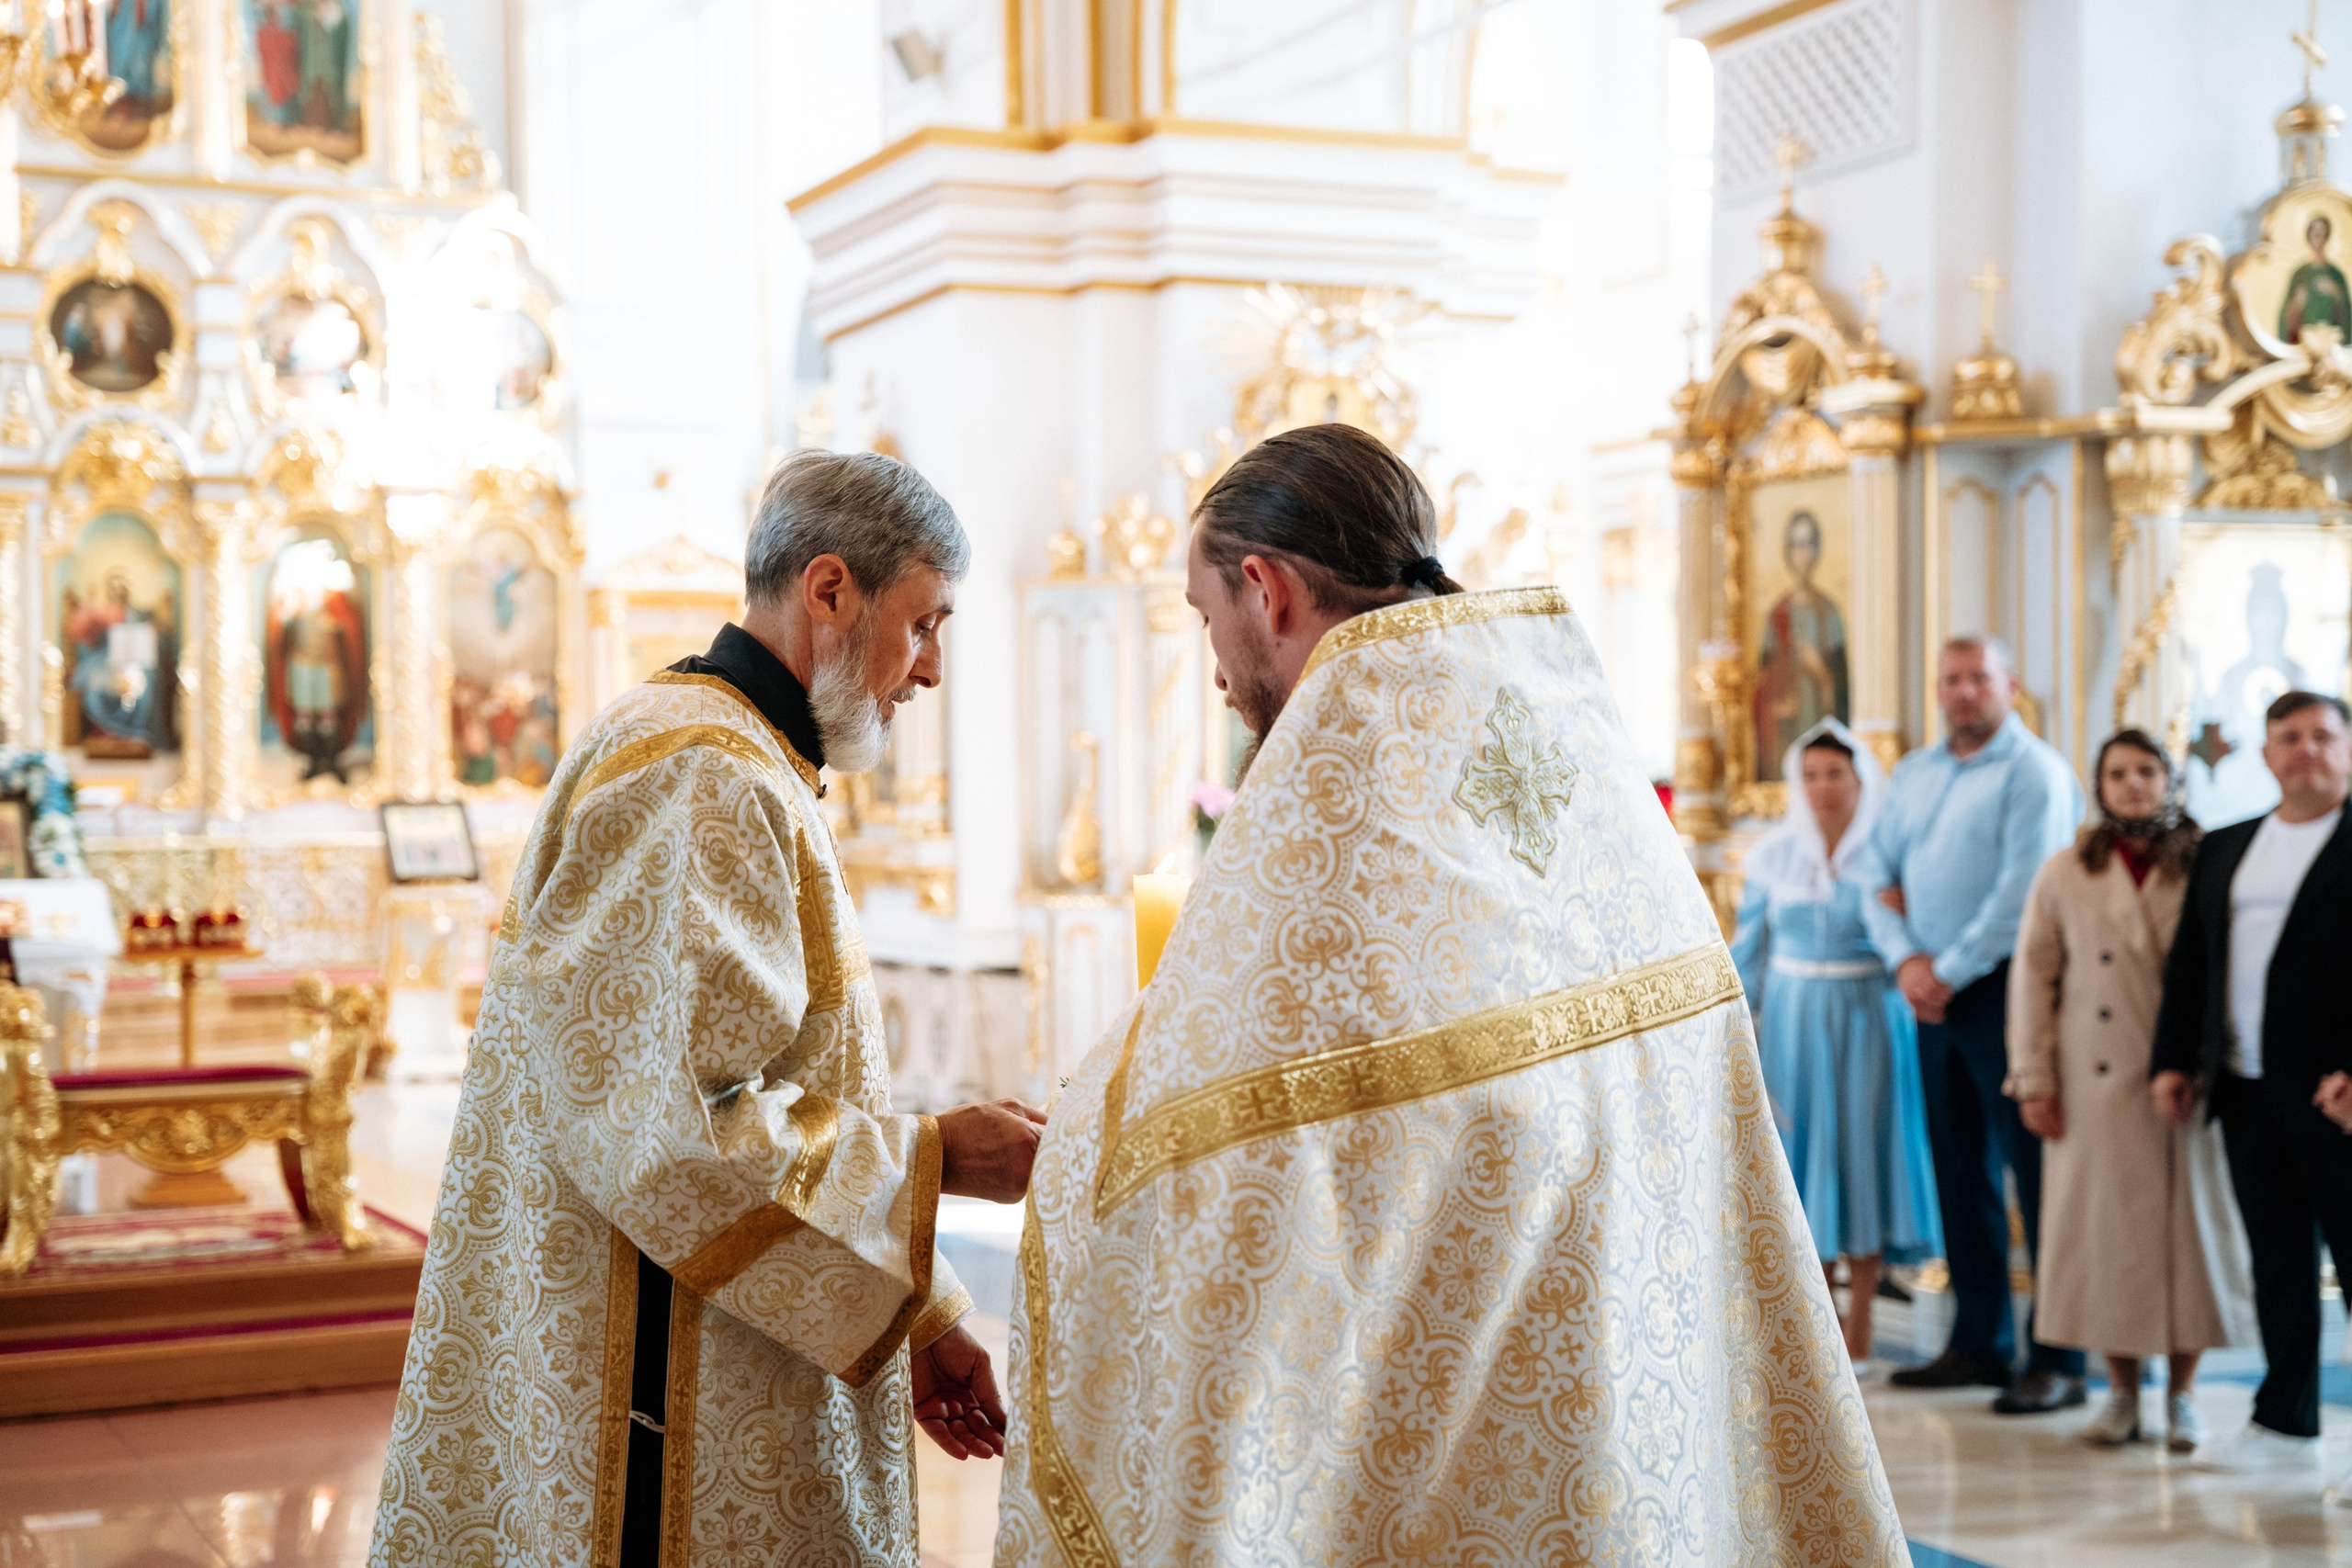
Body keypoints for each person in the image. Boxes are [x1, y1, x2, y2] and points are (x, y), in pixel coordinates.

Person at [992, 423, 1905, 1566]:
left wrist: (1056, 1139)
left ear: (1266, 591)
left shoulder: (1337, 792)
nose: (1217, 668)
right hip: (1641, 1402)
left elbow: (1196, 1150)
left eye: (1202, 614)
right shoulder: (1555, 734)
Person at [371, 451, 1048, 1567]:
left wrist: (921, 1312)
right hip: (665, 1399)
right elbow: (681, 1131)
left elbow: (756, 1079)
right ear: (829, 590)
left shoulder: (731, 753)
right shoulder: (703, 774)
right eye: (924, 625)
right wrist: (936, 1159)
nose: (928, 672)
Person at [2007, 730, 2256, 1452]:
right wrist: (2033, 1077)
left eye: (2148, 770)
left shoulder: (2208, 863)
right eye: (2117, 772)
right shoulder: (2064, 872)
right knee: (2103, 1240)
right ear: (2099, 784)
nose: (2134, 784)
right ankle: (2118, 1391)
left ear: (2172, 780)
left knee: (2188, 1239)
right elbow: (2033, 977)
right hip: (2092, 1082)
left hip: (2181, 1078)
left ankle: (2179, 1395)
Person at [1867, 636, 2088, 1412]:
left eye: (1978, 679)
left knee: (2035, 1175)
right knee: (1958, 1168)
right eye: (1951, 680)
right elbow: (1874, 875)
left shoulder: (2035, 772)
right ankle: (1980, 1340)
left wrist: (1943, 969)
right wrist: (1905, 962)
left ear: (2010, 684)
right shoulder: (1917, 772)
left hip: (2010, 993)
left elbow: (2021, 893)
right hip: (1931, 995)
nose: (1962, 692)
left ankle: (2059, 1353)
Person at [2151, 690, 2352, 1499]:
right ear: (2266, 754)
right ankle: (2284, 1419)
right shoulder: (2230, 845)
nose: (2305, 749)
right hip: (2244, 1083)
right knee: (2276, 1257)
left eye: (2322, 735)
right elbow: (2191, 959)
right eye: (2288, 736)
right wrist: (2175, 1059)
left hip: (2335, 1092)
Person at [1730, 717, 1939, 1371]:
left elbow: (1909, 935)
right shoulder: (1771, 855)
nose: (1824, 788)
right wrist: (1742, 1033)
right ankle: (1816, 1322)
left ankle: (1864, 1319)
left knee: (1864, 1155)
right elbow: (1748, 952)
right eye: (1812, 775)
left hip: (1868, 1017)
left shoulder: (1886, 853)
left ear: (1858, 780)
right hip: (1793, 1021)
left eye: (1836, 775)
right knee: (1804, 1162)